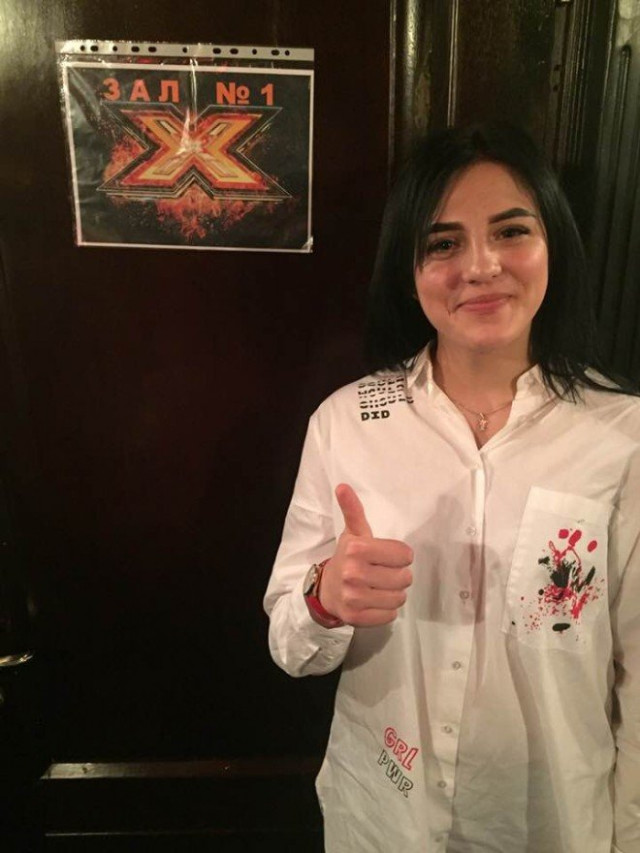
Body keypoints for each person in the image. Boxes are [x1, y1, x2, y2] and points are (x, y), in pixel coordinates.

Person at [263, 123, 640, 853]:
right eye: (443, 243)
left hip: (551, 825)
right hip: (381, 816)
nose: (481, 266)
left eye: (511, 231)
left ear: (552, 245)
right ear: (408, 269)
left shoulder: (622, 438)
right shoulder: (347, 423)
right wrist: (324, 597)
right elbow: (289, 641)